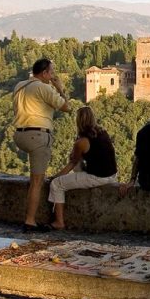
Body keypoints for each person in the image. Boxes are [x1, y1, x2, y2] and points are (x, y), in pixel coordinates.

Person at [13, 58, 71, 232]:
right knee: (37, 182)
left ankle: (30, 218)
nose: (53, 75)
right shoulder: (43, 88)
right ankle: (30, 221)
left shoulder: (19, 86)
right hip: (37, 135)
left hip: (19, 134)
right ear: (44, 73)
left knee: (33, 180)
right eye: (51, 72)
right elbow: (67, 107)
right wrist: (60, 87)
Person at [46, 106, 118, 230]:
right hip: (112, 175)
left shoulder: (82, 142)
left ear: (78, 121)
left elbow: (73, 163)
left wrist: (55, 177)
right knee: (75, 168)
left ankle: (59, 222)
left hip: (97, 177)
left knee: (56, 184)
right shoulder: (103, 132)